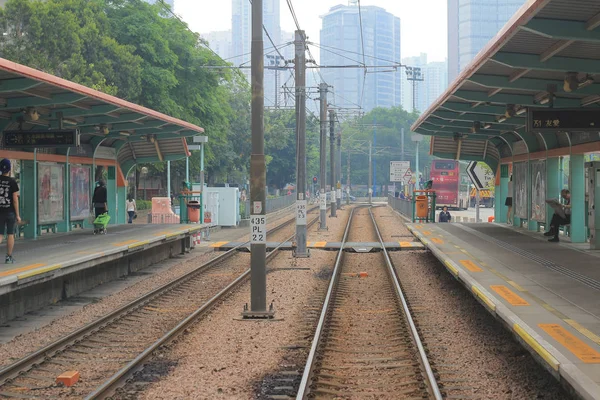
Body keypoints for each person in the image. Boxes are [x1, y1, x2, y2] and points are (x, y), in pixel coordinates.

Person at [0, 159, 20, 264]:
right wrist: (18, 215)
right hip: (10, 212)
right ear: (9, 169)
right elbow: (15, 200)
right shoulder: (12, 182)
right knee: (10, 233)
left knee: (0, 234)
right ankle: (8, 257)